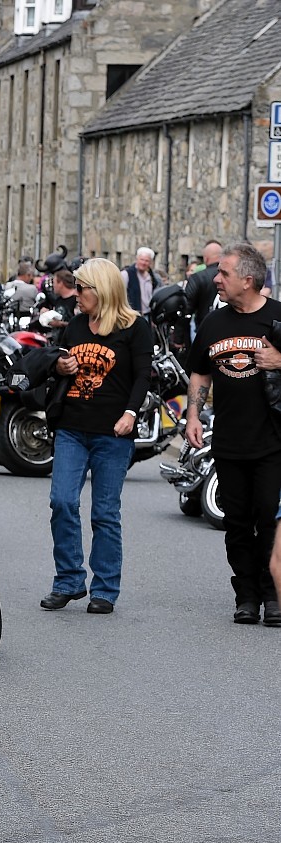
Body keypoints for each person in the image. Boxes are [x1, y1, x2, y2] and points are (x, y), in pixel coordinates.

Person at [38, 259, 154, 615]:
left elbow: (142, 377)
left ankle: (104, 589)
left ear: (100, 291)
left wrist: (130, 414)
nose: (76, 294)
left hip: (112, 433)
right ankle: (70, 580)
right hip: (72, 428)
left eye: (81, 288)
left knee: (105, 513)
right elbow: (57, 362)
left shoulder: (136, 328)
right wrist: (60, 365)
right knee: (62, 501)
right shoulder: (74, 326)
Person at [185, 241, 281, 625]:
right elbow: (200, 370)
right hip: (228, 439)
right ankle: (246, 595)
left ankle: (273, 594)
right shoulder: (213, 322)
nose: (216, 279)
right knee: (237, 520)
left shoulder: (278, 317)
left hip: (273, 441)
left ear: (248, 279)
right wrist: (193, 415)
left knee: (269, 518)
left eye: (223, 273)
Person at [183, 239, 224, 349]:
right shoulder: (232, 277)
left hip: (203, 330)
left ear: (206, 258)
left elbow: (187, 306)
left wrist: (180, 337)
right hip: (227, 332)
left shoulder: (198, 277)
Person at [123, 246, 163, 319]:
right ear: (137, 259)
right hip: (131, 315)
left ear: (150, 262)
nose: (143, 263)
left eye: (146, 261)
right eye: (141, 259)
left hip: (148, 315)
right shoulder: (126, 275)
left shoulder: (153, 277)